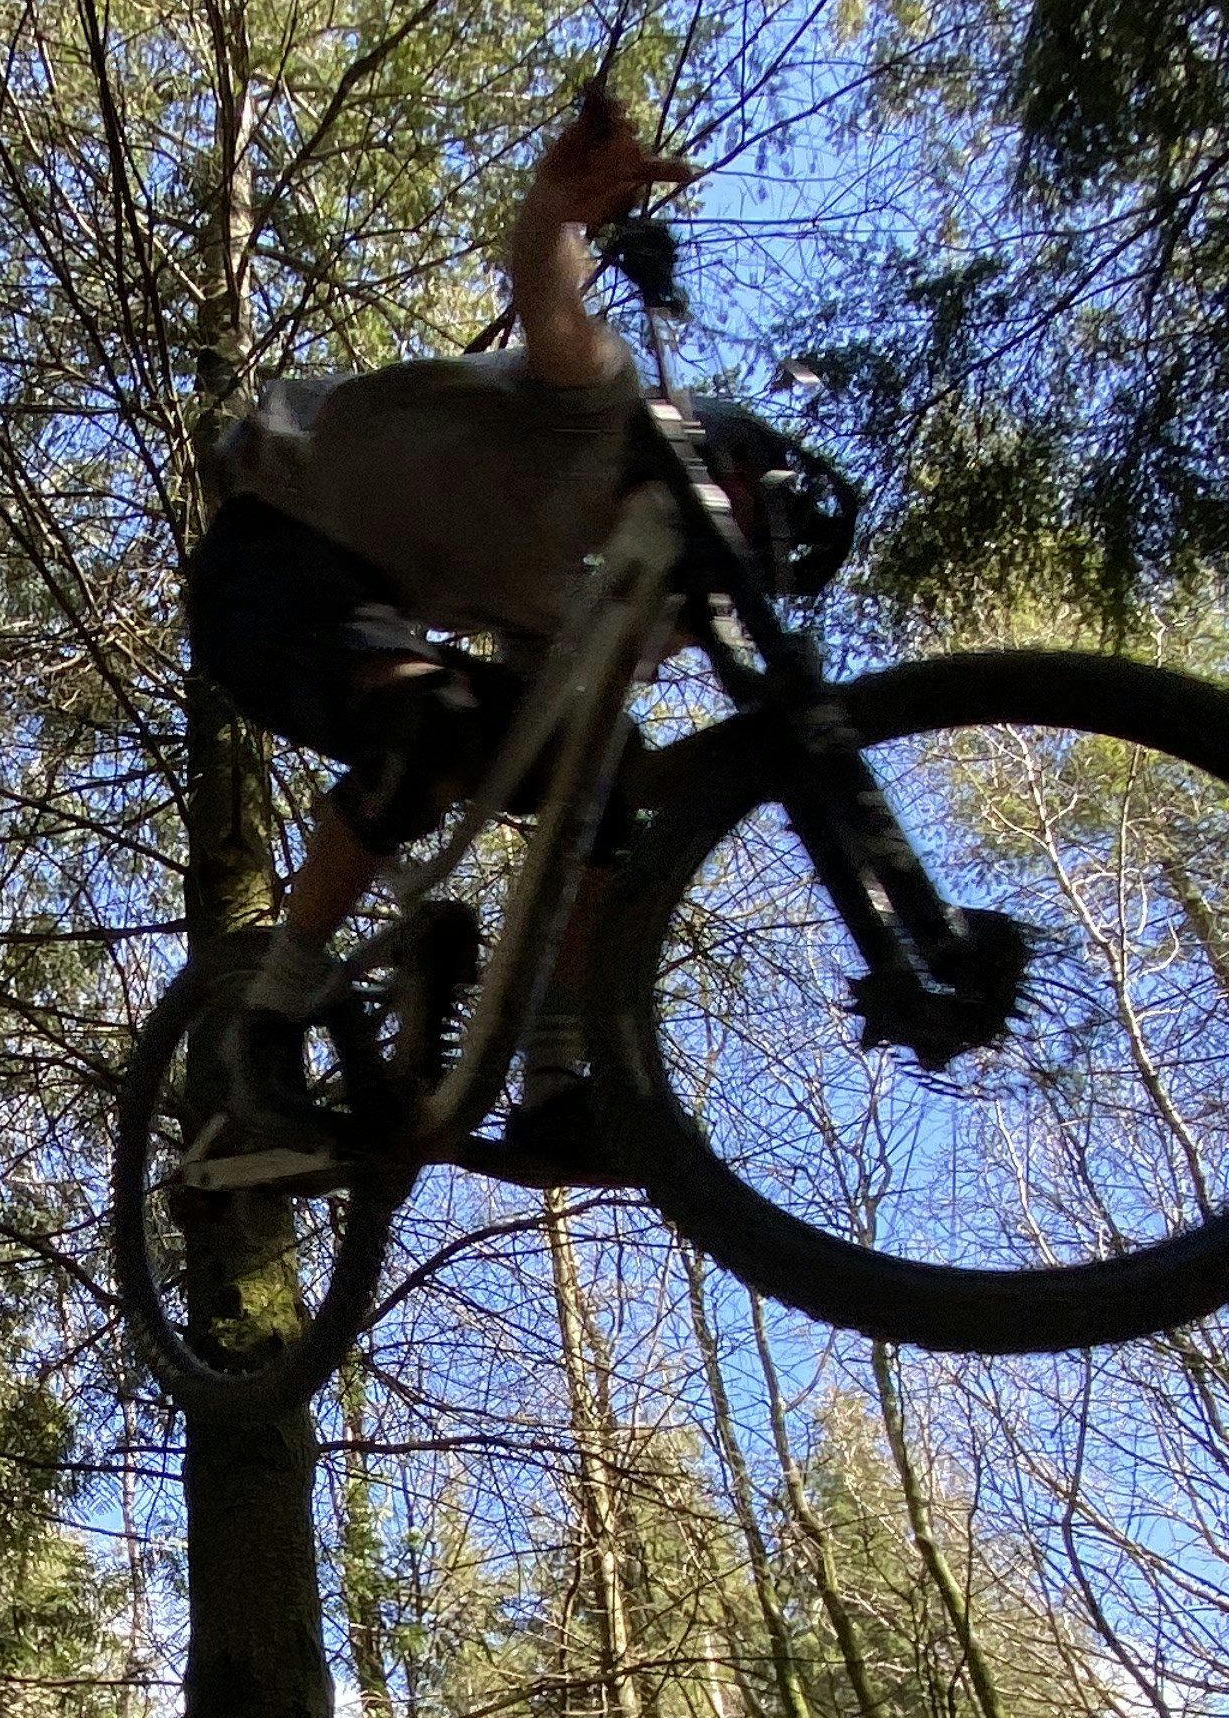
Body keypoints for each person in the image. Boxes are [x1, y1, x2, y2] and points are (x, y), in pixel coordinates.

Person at [185, 85, 844, 1181]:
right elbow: (549, 290)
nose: (707, 580)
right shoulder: (601, 407)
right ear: (706, 458)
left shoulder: (593, 597)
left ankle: (551, 1078)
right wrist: (563, 205)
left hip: (369, 609)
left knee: (608, 774)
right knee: (424, 713)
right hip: (271, 550)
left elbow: (568, 751)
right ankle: (269, 1017)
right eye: (734, 519)